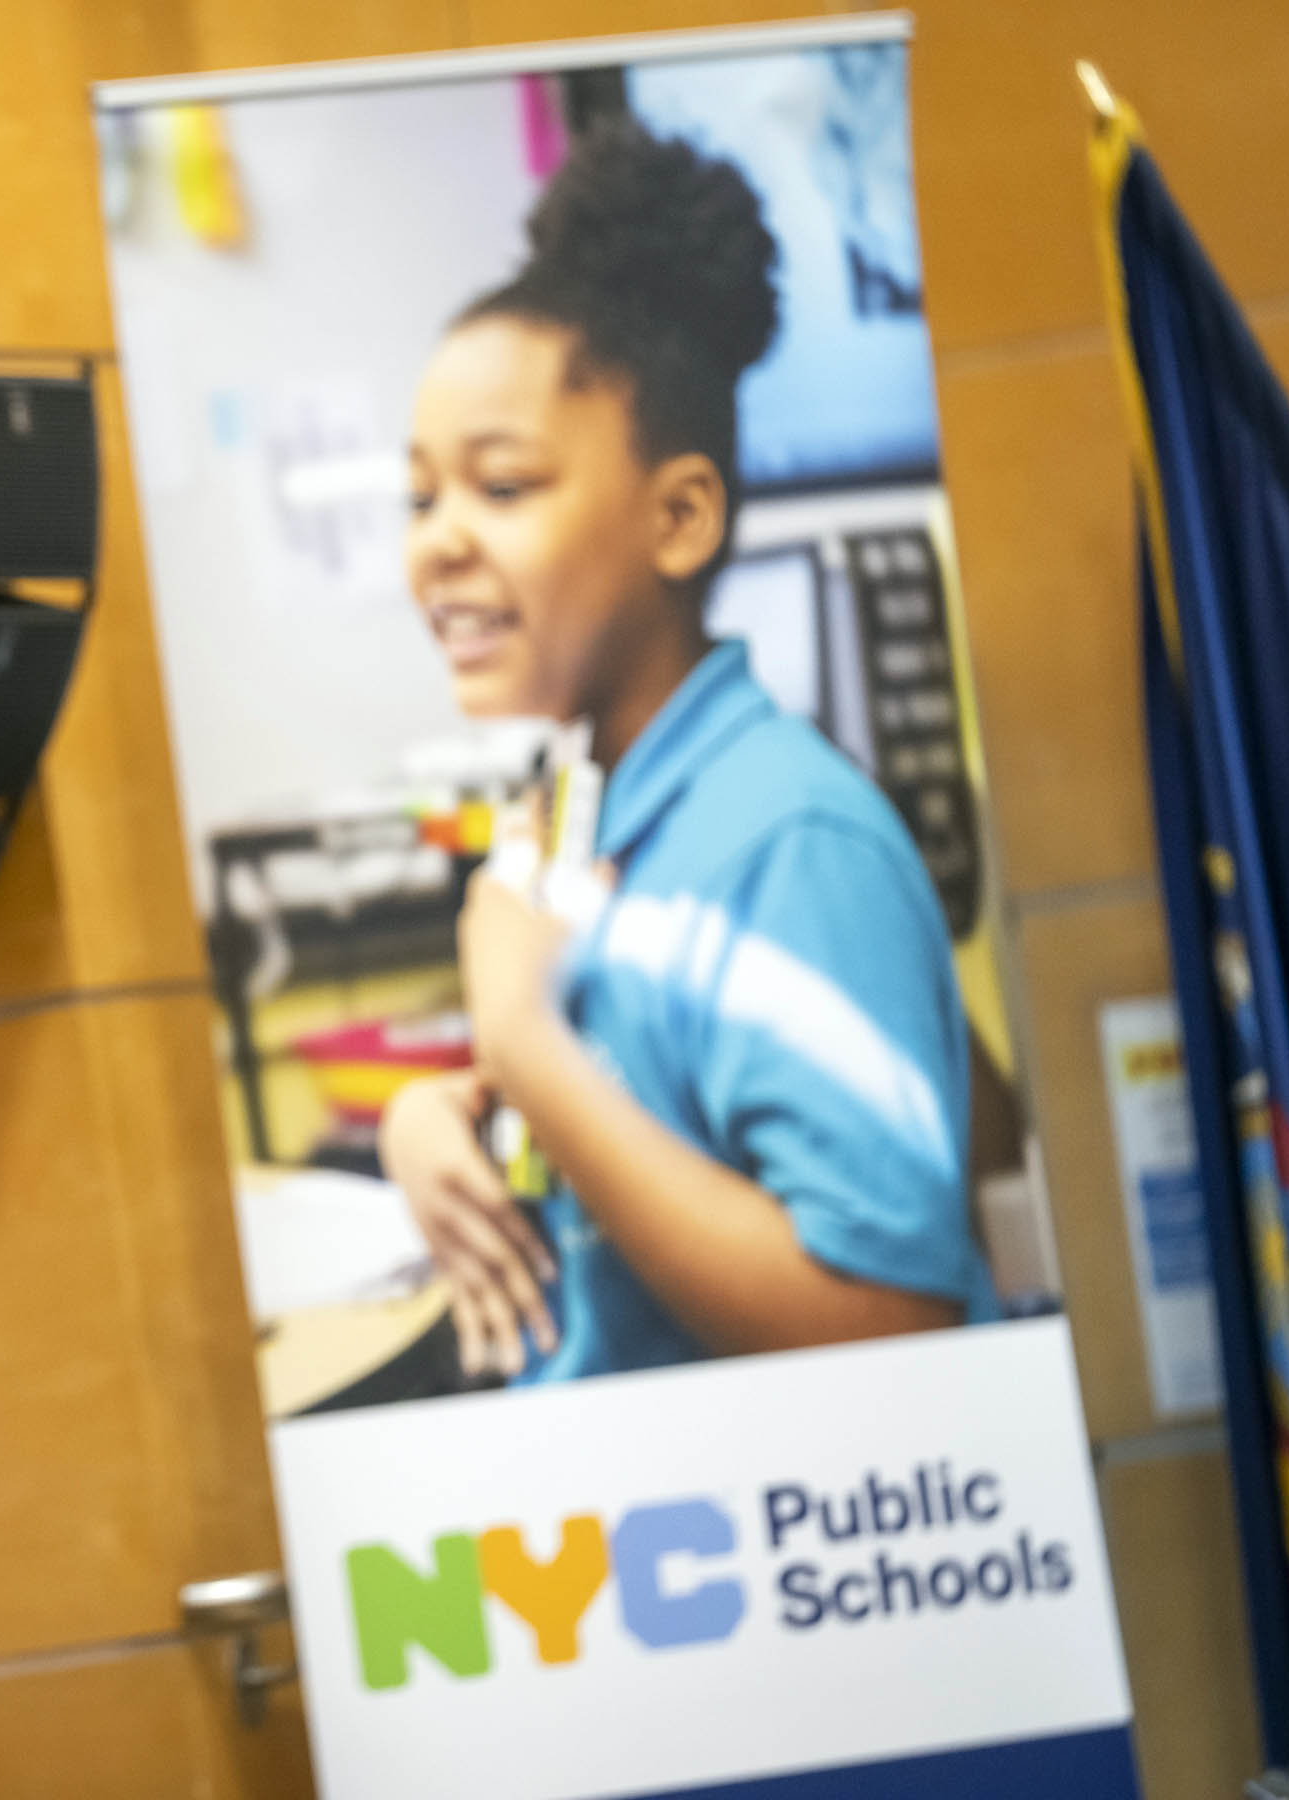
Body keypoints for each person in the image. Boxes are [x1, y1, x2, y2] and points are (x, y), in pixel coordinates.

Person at [377, 123, 997, 1386]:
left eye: (500, 488)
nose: (437, 543)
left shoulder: (788, 841)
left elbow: (894, 1331)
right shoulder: (580, 817)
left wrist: (529, 1047)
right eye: (420, 496)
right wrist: (440, 1115)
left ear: (680, 516)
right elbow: (648, 1122)